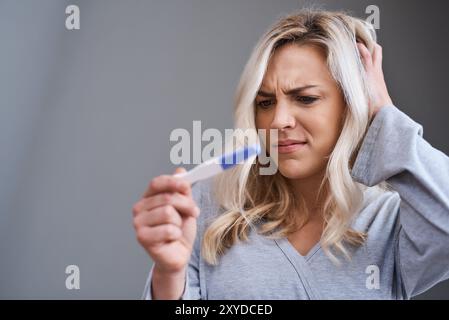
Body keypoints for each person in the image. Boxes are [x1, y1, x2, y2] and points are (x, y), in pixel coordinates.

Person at [132, 9, 449, 299]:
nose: (278, 121)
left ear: (353, 106)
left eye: (306, 98)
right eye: (266, 102)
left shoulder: (390, 222)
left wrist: (384, 114)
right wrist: (169, 274)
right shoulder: (208, 209)